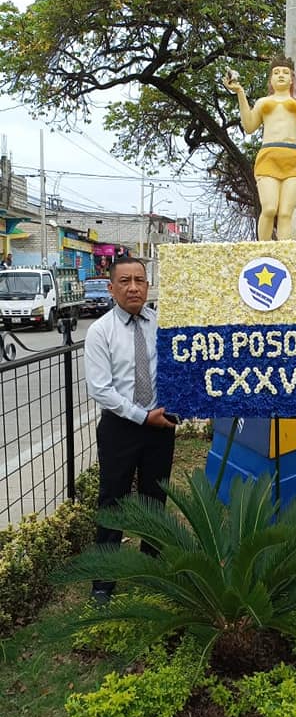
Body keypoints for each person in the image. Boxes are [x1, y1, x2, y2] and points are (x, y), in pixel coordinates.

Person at [84, 257, 176, 603]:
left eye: (140, 280)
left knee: (155, 498)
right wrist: (141, 416)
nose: (133, 287)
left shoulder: (163, 325)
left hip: (160, 425)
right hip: (120, 427)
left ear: (148, 286)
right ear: (111, 288)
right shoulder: (100, 331)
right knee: (113, 500)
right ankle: (103, 582)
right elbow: (100, 388)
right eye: (125, 281)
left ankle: (152, 570)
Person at [223, 56, 296, 240]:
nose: (281, 75)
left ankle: (283, 252)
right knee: (269, 208)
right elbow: (249, 126)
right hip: (269, 156)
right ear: (271, 79)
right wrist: (240, 93)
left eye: (285, 73)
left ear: (292, 79)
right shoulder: (262, 102)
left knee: (285, 213)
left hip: (293, 158)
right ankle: (263, 250)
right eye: (276, 72)